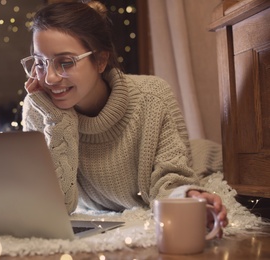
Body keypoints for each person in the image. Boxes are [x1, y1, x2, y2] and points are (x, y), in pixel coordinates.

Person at [21, 0, 228, 235]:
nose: (49, 78)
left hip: (207, 162)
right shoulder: (40, 108)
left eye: (65, 62)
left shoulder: (152, 97)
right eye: (39, 63)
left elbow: (171, 180)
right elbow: (56, 207)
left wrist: (189, 196)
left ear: (100, 61)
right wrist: (59, 121)